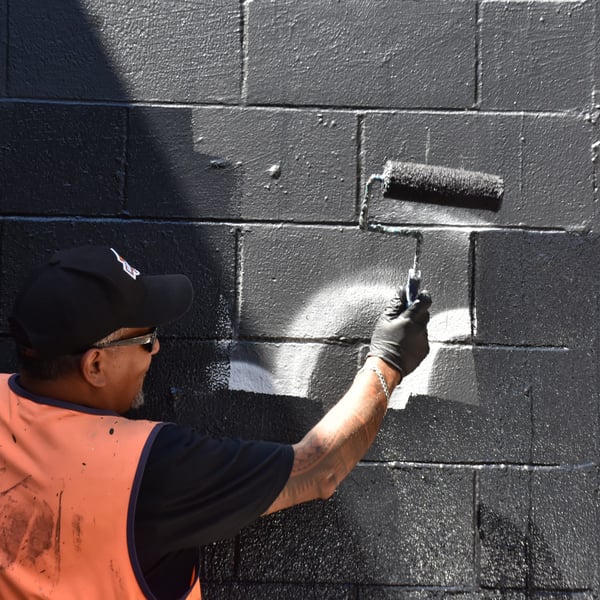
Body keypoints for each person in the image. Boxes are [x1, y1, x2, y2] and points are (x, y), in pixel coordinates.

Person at [1, 245, 432, 599]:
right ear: (94, 365)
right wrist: (388, 363)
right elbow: (319, 468)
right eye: (145, 339)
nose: (156, 350)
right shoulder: (145, 469)